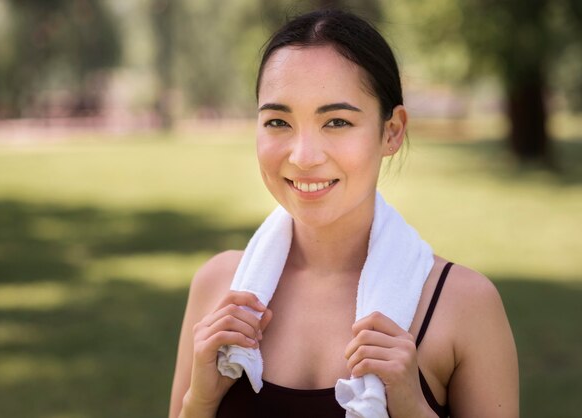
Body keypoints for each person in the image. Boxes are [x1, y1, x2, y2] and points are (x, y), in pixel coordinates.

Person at [168, 8, 518, 418]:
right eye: (278, 122)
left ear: (392, 132)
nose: (303, 157)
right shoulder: (218, 288)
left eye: (336, 121)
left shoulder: (463, 306)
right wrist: (201, 401)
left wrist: (411, 406)